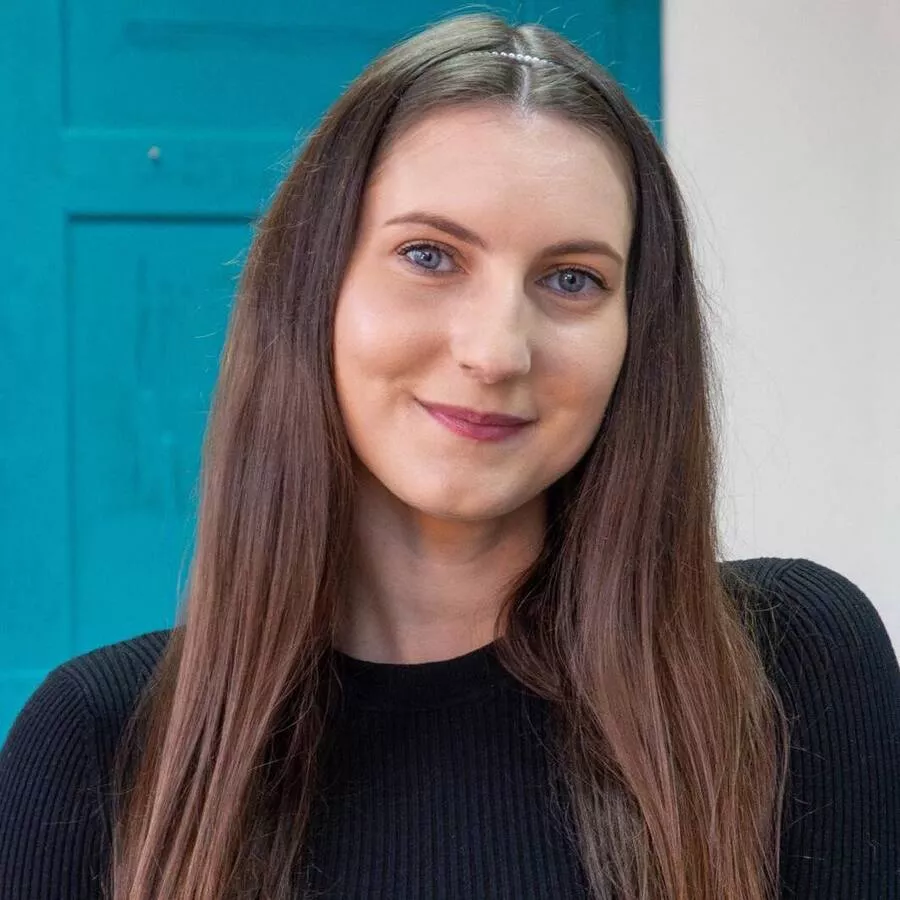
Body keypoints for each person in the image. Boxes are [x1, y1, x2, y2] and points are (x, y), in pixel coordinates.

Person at [0, 12, 898, 900]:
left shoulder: (792, 670)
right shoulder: (97, 748)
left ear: (637, 337)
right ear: (314, 289)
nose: (497, 350)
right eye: (429, 255)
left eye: (572, 279)